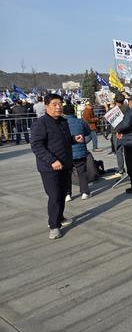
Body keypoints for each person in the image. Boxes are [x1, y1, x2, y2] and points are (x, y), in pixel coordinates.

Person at [30, 94, 85, 239]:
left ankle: (60, 218)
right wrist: (52, 160)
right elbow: (36, 146)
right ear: (46, 106)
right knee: (54, 196)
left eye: (60, 104)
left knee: (62, 194)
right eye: (54, 104)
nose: (58, 107)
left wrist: (74, 139)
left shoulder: (63, 122)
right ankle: (54, 226)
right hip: (49, 167)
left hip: (65, 165)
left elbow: (63, 141)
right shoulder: (40, 123)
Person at [62, 103, 92, 201]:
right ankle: (85, 192)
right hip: (80, 150)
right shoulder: (80, 121)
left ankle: (67, 194)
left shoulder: (61, 123)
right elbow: (88, 132)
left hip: (66, 152)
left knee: (67, 174)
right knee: (82, 172)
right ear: (74, 111)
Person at [111, 93, 130, 174]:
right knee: (128, 151)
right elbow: (130, 100)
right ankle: (130, 168)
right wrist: (126, 95)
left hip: (116, 132)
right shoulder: (126, 107)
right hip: (126, 130)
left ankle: (121, 169)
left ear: (115, 100)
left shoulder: (112, 110)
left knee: (119, 151)